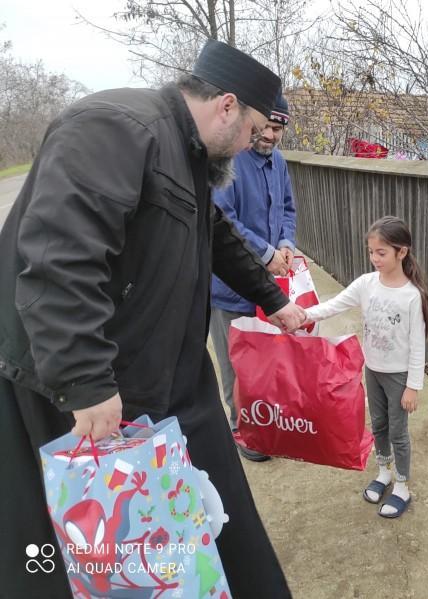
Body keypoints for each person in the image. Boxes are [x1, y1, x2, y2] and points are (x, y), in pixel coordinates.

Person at [0, 39, 303, 598]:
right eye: (252, 129)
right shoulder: (114, 127)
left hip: (167, 375)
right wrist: (85, 379)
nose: (251, 144)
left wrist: (275, 300)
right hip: (72, 385)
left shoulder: (188, 152)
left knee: (215, 517)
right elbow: (57, 257)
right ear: (227, 106)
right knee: (80, 539)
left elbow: (220, 238)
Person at [303, 216, 428, 518]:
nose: (374, 258)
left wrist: (414, 386)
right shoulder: (366, 284)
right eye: (371, 252)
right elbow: (333, 305)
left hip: (399, 376)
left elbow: (417, 345)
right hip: (372, 370)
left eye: (381, 252)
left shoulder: (412, 295)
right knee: (378, 425)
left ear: (402, 252)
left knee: (399, 432)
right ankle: (383, 472)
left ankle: (402, 486)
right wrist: (301, 315)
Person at [209, 94, 296, 461]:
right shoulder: (229, 160)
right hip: (230, 289)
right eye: (268, 127)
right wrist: (267, 253)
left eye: (279, 130)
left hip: (270, 285)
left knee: (265, 363)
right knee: (236, 364)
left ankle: (266, 422)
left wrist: (287, 243)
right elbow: (224, 221)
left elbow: (288, 207)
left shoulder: (278, 162)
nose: (272, 136)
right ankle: (241, 428)